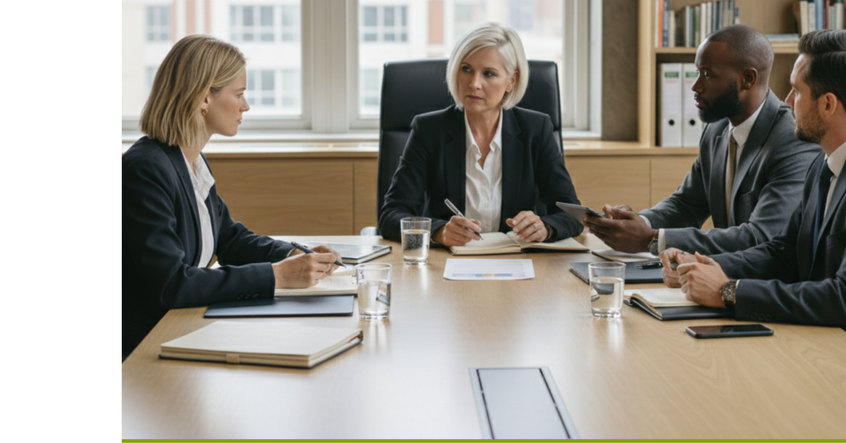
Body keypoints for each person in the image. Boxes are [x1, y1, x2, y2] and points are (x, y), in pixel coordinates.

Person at [665, 29, 846, 366]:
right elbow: (785, 252)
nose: (787, 102)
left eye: (796, 91)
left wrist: (728, 291)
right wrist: (701, 266)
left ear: (828, 104)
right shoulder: (827, 159)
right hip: (820, 344)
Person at [121, 35, 342, 360]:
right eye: (238, 94)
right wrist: (278, 275)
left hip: (184, 327)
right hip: (146, 347)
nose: (245, 105)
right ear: (203, 98)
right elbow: (172, 283)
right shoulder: (146, 168)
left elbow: (229, 239)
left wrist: (296, 254)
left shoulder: (189, 159)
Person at [582, 24, 820, 255]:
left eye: (708, 75)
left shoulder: (792, 140)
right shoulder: (716, 129)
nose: (696, 86)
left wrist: (653, 240)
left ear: (747, 79)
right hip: (722, 274)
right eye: (697, 73)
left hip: (765, 285)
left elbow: (761, 236)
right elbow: (686, 205)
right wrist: (637, 223)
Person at [378, 23, 582, 247]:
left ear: (511, 81)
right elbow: (391, 215)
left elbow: (572, 214)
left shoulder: (536, 129)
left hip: (516, 264)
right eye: (466, 69)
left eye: (489, 74)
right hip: (448, 265)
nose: (474, 83)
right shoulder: (429, 130)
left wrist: (545, 227)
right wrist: (438, 232)